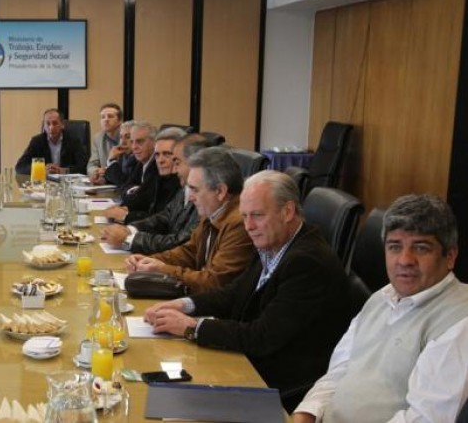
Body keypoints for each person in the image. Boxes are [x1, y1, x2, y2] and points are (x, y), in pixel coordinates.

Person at [143, 170, 353, 412]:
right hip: (249, 362)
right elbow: (235, 293)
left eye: (257, 215)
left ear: (287, 211)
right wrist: (184, 304)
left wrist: (191, 327)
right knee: (156, 386)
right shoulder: (274, 241)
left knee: (167, 403)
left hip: (275, 384)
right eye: (244, 216)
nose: (249, 226)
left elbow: (262, 336)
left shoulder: (307, 262)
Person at [293, 194, 468, 423]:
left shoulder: (459, 321)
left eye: (421, 248)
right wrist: (306, 413)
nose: (405, 260)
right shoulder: (382, 297)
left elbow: (425, 419)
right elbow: (338, 371)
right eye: (395, 247)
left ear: (450, 256)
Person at [125, 147, 254, 293]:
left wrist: (163, 269)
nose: (191, 198)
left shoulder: (239, 223)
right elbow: (190, 252)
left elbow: (215, 282)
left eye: (195, 190)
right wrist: (148, 260)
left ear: (220, 191)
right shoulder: (213, 213)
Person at [100, 136, 206, 254]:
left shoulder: (204, 197)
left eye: (177, 162)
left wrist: (129, 239)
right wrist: (130, 230)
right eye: (157, 155)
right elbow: (165, 217)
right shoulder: (184, 188)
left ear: (195, 164)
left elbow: (183, 243)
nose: (174, 169)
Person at [103, 126, 182, 224]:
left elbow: (167, 222)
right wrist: (127, 209)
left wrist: (126, 216)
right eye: (157, 155)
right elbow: (152, 211)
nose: (160, 160)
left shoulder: (181, 184)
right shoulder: (162, 177)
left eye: (167, 154)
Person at [15, 108, 88, 175]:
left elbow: (84, 167)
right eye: (48, 124)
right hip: (45, 182)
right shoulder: (37, 141)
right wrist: (41, 169)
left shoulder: (73, 141)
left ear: (62, 125)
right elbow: (20, 167)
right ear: (44, 126)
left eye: (55, 123)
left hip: (66, 182)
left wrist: (63, 170)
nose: (51, 127)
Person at [87, 102, 123, 184]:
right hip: (107, 183)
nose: (106, 120)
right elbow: (91, 165)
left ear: (119, 121)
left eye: (110, 116)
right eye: (103, 117)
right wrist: (97, 172)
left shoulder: (126, 138)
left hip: (123, 182)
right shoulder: (98, 138)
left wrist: (107, 172)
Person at [103, 120, 136, 187]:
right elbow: (116, 177)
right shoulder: (121, 155)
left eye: (128, 137)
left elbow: (125, 183)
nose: (123, 142)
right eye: (121, 137)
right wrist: (103, 179)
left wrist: (112, 161)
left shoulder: (139, 159)